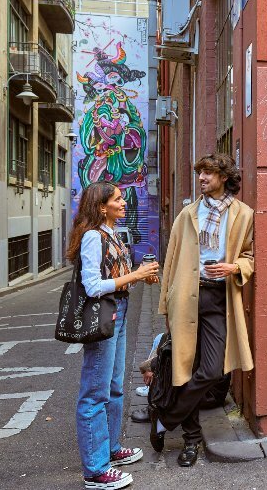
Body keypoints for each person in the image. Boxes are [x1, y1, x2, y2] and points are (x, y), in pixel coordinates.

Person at [153, 153, 255, 467]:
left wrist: (234, 266)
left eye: (208, 173)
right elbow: (171, 259)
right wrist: (166, 305)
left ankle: (165, 418)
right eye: (200, 173)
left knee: (211, 370)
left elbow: (250, 255)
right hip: (186, 295)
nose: (201, 179)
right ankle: (191, 440)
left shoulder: (244, 214)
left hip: (219, 298)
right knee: (184, 369)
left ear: (224, 176)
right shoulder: (187, 214)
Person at [66, 182, 159, 489]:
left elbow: (114, 278)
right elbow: (93, 286)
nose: (123, 203)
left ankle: (111, 451)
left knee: (115, 387)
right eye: (117, 199)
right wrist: (135, 275)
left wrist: (138, 278)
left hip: (118, 311)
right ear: (101, 206)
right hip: (103, 316)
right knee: (95, 392)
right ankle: (95, 470)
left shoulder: (110, 233)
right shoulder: (93, 236)